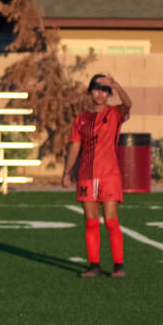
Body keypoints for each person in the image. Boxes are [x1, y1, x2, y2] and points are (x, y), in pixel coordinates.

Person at [61, 74, 133, 277]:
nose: (99, 93)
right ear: (90, 91)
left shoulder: (115, 113)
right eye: (96, 89)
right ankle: (94, 265)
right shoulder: (81, 119)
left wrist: (117, 84)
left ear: (109, 94)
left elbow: (128, 104)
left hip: (109, 175)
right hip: (86, 175)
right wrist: (67, 172)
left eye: (104, 90)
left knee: (111, 220)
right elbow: (75, 146)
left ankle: (118, 265)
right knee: (90, 221)